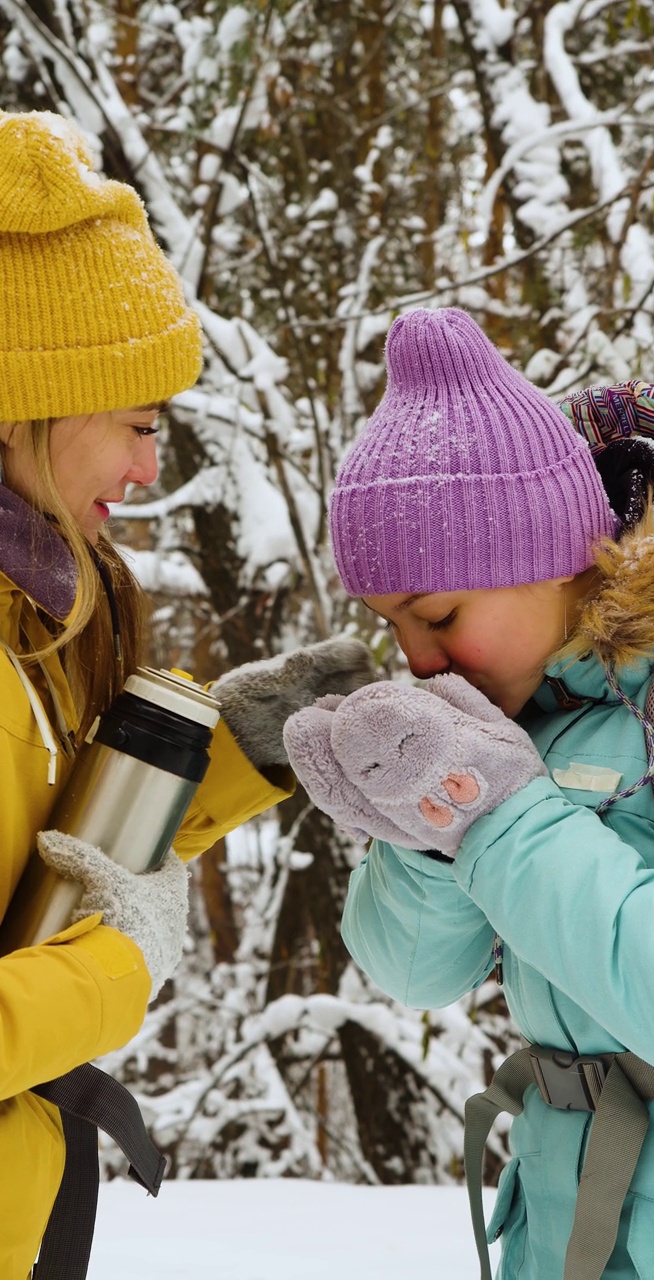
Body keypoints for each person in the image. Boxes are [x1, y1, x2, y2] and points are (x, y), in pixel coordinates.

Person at [0, 109, 374, 1280]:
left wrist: (233, 753)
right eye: (139, 424)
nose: (152, 468)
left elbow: (40, 854)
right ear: (28, 398)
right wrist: (124, 962)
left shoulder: (43, 615)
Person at [283, 305, 654, 1280]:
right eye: (394, 625)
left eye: (437, 614)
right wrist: (422, 819)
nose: (420, 658)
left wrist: (491, 809)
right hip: (559, 1232)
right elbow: (415, 971)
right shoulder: (518, 698)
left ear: (550, 554)